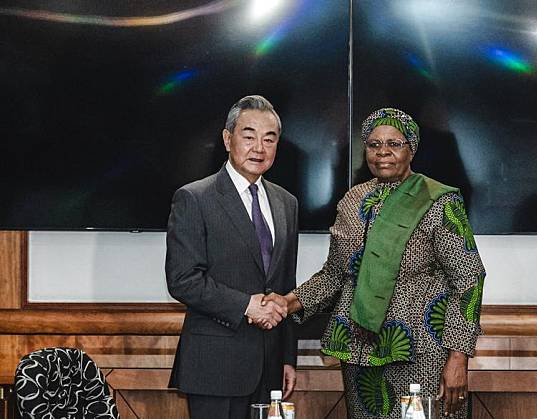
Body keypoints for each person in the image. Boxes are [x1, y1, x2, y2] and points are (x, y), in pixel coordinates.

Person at [266, 108, 485, 418]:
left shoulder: (438, 201)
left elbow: (469, 279)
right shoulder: (353, 200)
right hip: (358, 350)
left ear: (412, 148)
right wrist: (287, 303)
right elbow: (334, 275)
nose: (383, 152)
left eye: (394, 144)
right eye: (373, 144)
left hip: (419, 350)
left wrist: (458, 358)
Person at [165, 95, 298, 419]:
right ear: (228, 139)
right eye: (248, 136)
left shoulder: (286, 203)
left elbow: (285, 283)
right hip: (215, 367)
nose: (259, 148)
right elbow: (183, 280)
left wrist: (287, 357)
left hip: (270, 369)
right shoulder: (194, 198)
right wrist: (246, 305)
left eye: (270, 139)